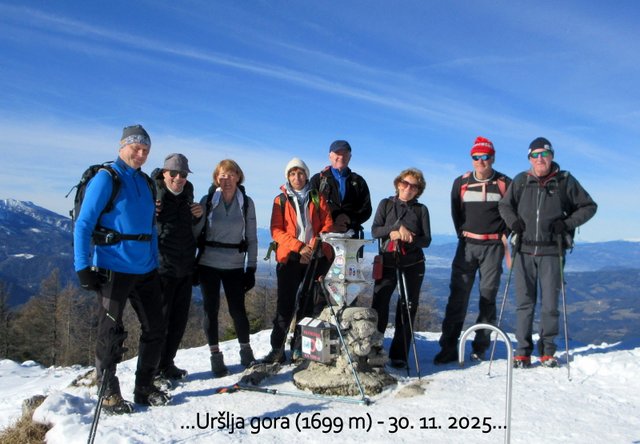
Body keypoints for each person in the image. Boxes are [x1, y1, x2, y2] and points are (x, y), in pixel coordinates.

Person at [74, 124, 170, 413]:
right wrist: (82, 265)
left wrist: (154, 262)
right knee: (110, 332)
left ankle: (144, 386)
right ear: (122, 146)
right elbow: (84, 224)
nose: (141, 154)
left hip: (145, 269)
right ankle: (107, 392)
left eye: (145, 150)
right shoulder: (107, 178)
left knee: (156, 327)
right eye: (136, 148)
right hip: (113, 267)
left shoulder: (146, 182)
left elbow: (150, 228)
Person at [499, 137, 597, 368]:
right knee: (524, 304)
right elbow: (505, 205)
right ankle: (522, 352)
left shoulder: (564, 181)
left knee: (550, 305)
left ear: (551, 156)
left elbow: (589, 206)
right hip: (523, 250)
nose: (540, 159)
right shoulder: (521, 181)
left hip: (553, 251)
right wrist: (513, 222)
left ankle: (547, 352)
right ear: (529, 158)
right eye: (535, 155)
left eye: (544, 154)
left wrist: (567, 224)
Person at [434, 137, 512, 365]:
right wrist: (464, 234)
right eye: (476, 157)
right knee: (457, 297)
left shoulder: (505, 183)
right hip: (467, 245)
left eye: (485, 157)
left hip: (493, 247)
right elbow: (456, 212)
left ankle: (480, 346)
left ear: (492, 158)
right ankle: (448, 347)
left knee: (488, 297)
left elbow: (512, 213)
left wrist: (504, 234)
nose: (480, 161)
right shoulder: (461, 182)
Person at [261, 158, 334, 364]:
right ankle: (277, 349)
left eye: (300, 173)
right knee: (285, 305)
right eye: (292, 174)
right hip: (290, 258)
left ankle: (300, 347)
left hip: (314, 257)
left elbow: (327, 224)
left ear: (306, 175)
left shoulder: (317, 197)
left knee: (307, 305)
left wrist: (314, 243)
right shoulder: (280, 200)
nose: (297, 177)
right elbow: (276, 230)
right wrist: (299, 247)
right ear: (288, 177)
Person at [194, 159, 258, 377]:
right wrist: (195, 219)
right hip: (208, 263)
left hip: (235, 264)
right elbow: (196, 233)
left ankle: (246, 351)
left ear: (238, 177)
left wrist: (251, 268)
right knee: (210, 310)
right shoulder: (208, 201)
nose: (227, 179)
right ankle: (215, 356)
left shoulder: (246, 203)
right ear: (216, 178)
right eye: (222, 175)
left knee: (237, 310)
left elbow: (252, 238)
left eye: (231, 175)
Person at [371, 168, 431, 369]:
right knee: (379, 304)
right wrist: (395, 230)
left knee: (407, 307)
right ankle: (375, 348)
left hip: (413, 264)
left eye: (414, 186)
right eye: (405, 183)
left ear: (418, 190)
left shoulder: (421, 210)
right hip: (388, 261)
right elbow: (375, 230)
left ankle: (399, 355)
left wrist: (409, 238)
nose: (408, 188)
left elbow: (426, 240)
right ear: (398, 184)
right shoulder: (386, 204)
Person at [152, 153, 203, 382]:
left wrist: (198, 217)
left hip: (185, 267)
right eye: (173, 173)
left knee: (178, 321)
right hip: (162, 268)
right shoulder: (153, 194)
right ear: (164, 173)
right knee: (158, 323)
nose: (178, 178)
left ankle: (167, 364)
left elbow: (188, 227)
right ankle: (153, 370)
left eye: (183, 174)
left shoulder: (188, 194)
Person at [309, 140, 372, 238]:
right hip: (324, 237)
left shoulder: (358, 181)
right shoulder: (318, 180)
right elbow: (311, 207)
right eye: (338, 153)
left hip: (351, 237)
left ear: (350, 157)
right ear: (330, 156)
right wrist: (331, 222)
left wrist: (349, 219)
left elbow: (366, 209)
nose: (341, 157)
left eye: (345, 154)